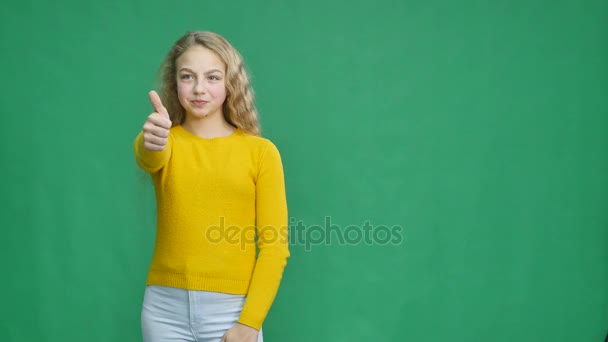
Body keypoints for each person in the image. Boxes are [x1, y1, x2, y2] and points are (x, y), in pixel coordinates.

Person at [133, 31, 290, 342]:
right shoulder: (166, 141)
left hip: (232, 311)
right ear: (174, 82)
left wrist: (249, 323)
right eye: (187, 76)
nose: (199, 89)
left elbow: (274, 247)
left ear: (231, 83)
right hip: (164, 310)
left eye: (213, 77)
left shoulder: (261, 153)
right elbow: (149, 154)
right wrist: (151, 139)